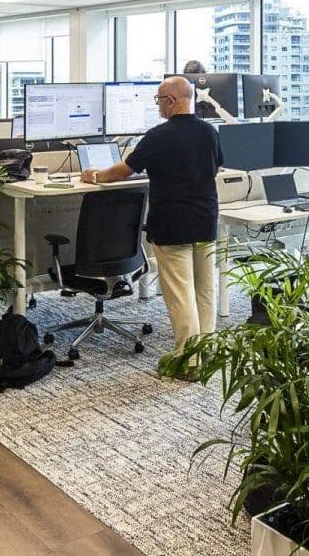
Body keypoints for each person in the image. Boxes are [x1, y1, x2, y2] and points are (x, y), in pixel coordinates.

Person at [80, 76, 222, 371]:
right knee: (205, 290)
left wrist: (94, 175)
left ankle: (188, 361)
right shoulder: (209, 131)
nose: (158, 105)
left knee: (181, 293)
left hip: (173, 224)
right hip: (206, 219)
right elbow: (215, 166)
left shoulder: (159, 136)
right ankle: (207, 353)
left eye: (159, 100)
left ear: (171, 101)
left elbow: (122, 171)